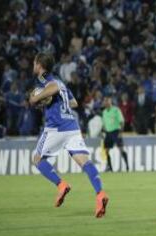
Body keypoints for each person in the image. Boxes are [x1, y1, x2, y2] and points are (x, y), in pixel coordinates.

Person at [28, 52, 108, 218]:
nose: (33, 66)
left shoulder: (44, 79)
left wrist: (37, 98)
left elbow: (52, 88)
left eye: (34, 63)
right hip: (71, 126)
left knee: (37, 158)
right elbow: (73, 103)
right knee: (85, 162)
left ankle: (61, 184)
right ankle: (100, 194)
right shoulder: (60, 81)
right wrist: (50, 100)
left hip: (55, 127)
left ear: (39, 65)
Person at [102, 96, 129, 172]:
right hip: (108, 133)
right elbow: (104, 124)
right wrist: (104, 132)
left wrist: (120, 132)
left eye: (108, 101)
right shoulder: (104, 112)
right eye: (105, 101)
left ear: (111, 102)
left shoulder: (116, 110)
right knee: (106, 150)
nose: (106, 102)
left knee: (121, 149)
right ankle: (110, 167)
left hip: (116, 131)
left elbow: (122, 122)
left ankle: (127, 167)